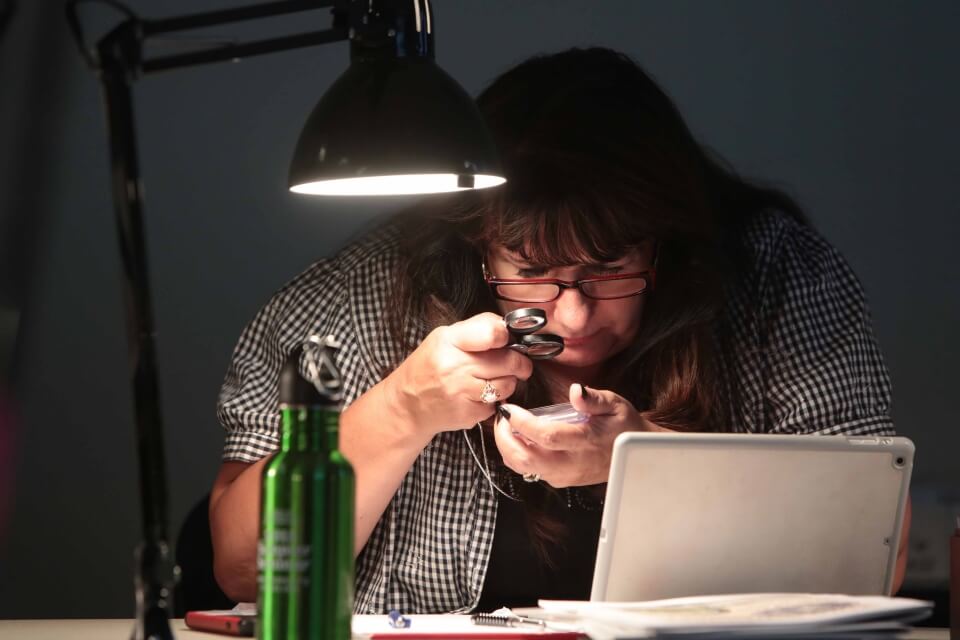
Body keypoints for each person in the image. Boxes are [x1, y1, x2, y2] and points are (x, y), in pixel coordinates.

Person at [209, 47, 910, 612]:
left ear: (663, 244)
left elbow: (875, 554)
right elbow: (244, 568)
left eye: (609, 269)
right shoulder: (359, 294)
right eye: (533, 269)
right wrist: (403, 409)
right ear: (479, 244)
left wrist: (642, 457)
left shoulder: (779, 276)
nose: (572, 315)